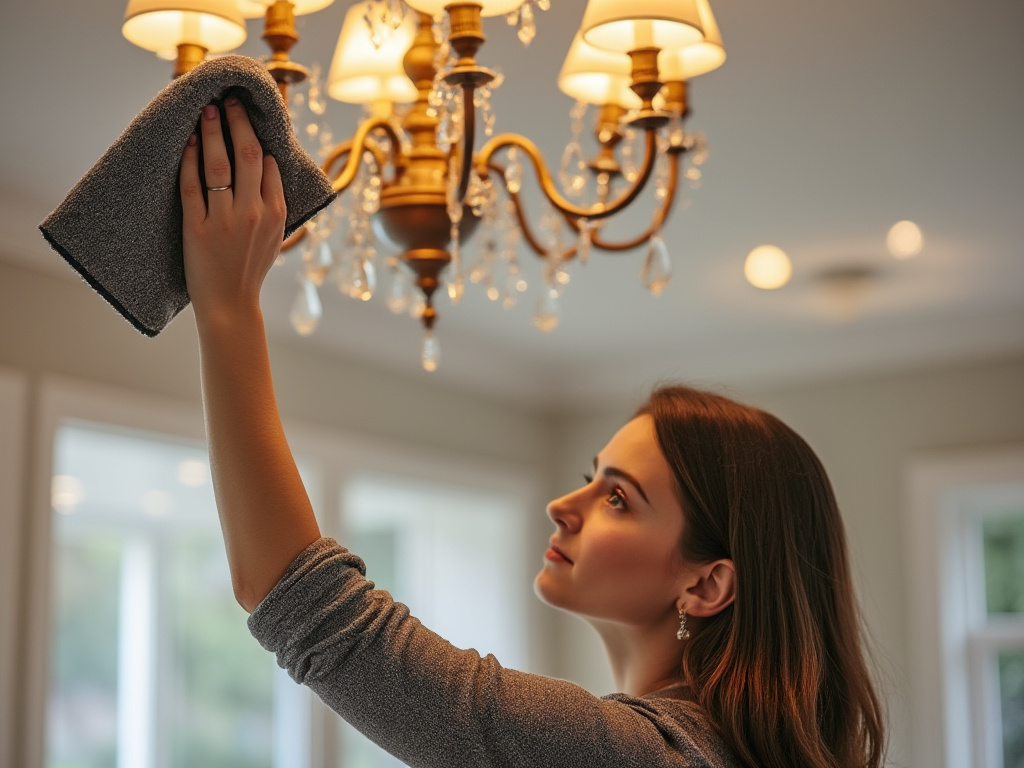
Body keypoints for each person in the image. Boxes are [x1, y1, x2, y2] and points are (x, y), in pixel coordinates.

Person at [179, 99, 886, 768]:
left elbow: (316, 615)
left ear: (707, 583)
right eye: (592, 477)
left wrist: (229, 308)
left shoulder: (637, 754)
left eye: (619, 498)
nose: (562, 505)